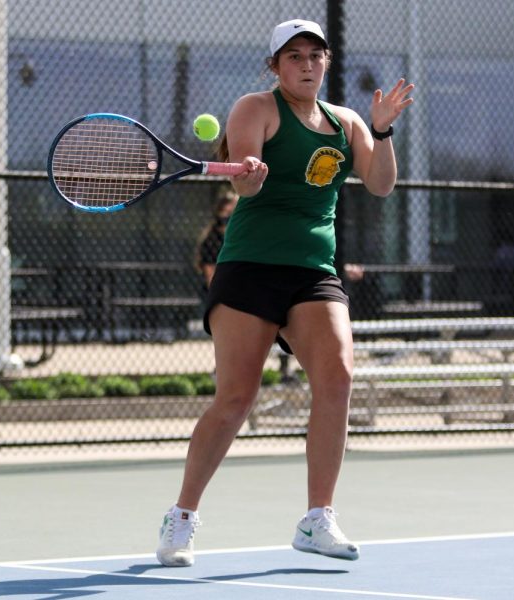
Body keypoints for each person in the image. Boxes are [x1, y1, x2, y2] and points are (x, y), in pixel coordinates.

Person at [156, 18, 414, 567]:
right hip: (250, 268)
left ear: (326, 63)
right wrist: (249, 172)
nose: (305, 64)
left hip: (313, 271)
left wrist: (383, 131)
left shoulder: (346, 123)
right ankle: (181, 517)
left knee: (338, 376)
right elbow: (243, 182)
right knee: (235, 399)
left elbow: (381, 183)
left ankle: (318, 518)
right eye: (292, 56)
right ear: (274, 66)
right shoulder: (256, 107)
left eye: (314, 55)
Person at [193, 187, 239, 290]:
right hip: (219, 293)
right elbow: (211, 279)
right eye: (226, 213)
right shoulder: (211, 240)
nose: (229, 218)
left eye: (233, 213)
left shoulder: (242, 238)